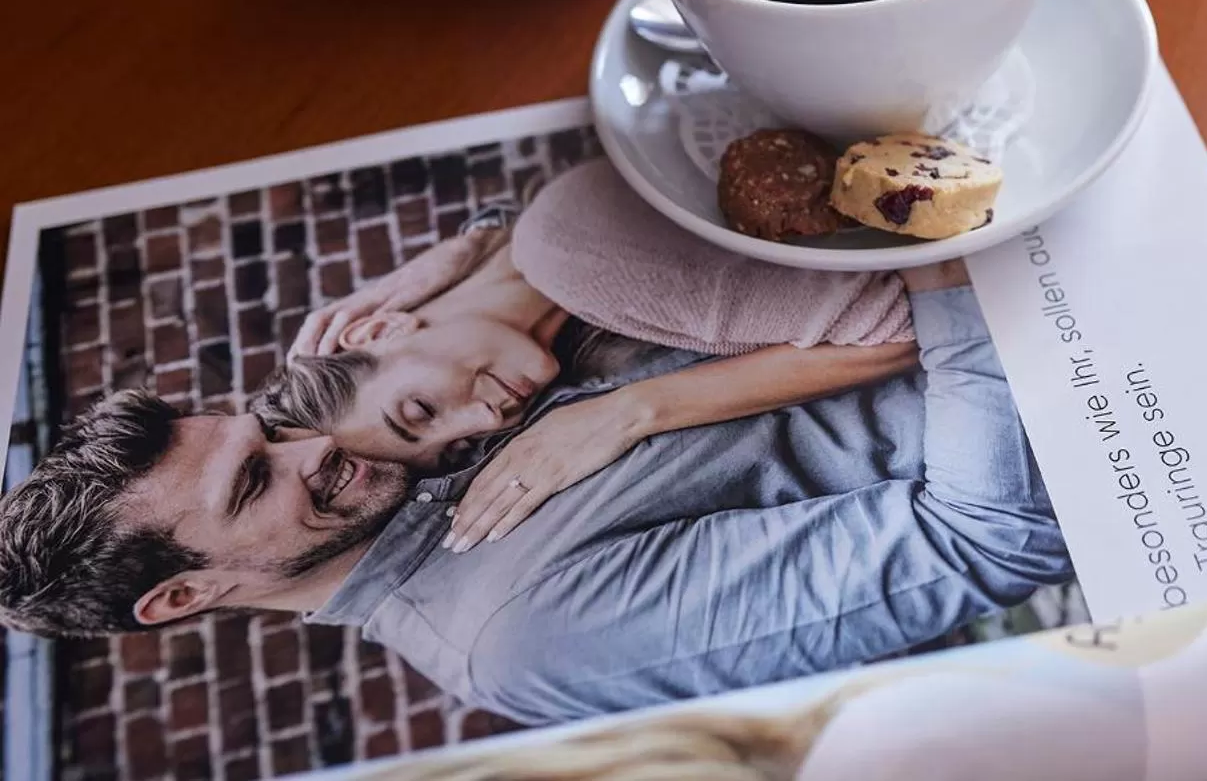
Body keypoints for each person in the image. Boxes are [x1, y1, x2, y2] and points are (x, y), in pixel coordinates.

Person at [0, 263, 1073, 724]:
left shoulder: (396, 444)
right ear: (185, 594)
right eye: (253, 482)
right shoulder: (521, 635)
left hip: (1030, 286)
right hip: (1085, 396)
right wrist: (946, 260)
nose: (309, 444)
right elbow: (987, 535)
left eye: (261, 430)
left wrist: (452, 270)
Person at [255, 160, 918, 546]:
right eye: (453, 451)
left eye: (421, 409)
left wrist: (630, 413)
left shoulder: (577, 266)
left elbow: (910, 328)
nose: (485, 424)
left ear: (372, 332)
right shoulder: (565, 285)